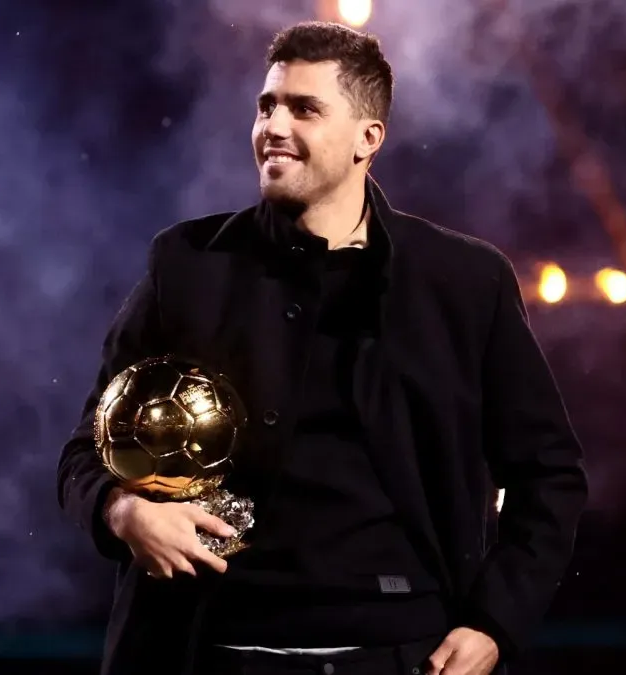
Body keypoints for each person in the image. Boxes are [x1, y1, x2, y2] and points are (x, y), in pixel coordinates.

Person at [57, 20, 588, 675]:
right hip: (215, 652)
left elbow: (549, 475)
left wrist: (494, 623)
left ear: (370, 138)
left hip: (404, 655)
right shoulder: (188, 265)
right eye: (266, 106)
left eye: (304, 109)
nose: (274, 126)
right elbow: (87, 449)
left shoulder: (463, 281)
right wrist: (123, 509)